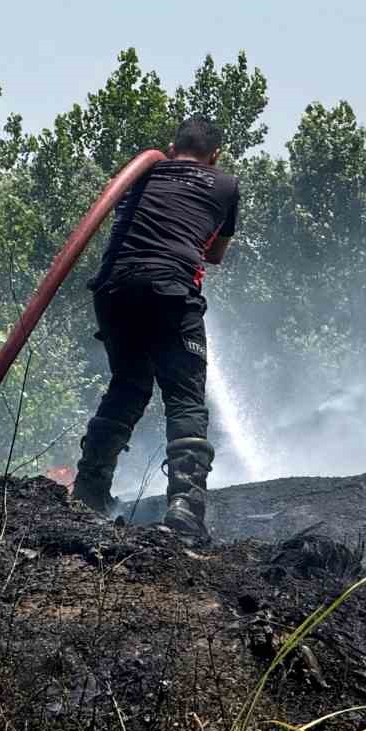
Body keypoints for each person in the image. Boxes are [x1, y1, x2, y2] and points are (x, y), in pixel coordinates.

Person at [72, 115, 239, 540]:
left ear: (172, 144)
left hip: (113, 289)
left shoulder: (142, 173)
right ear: (214, 155)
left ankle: (87, 491)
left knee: (129, 385)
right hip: (168, 290)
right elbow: (215, 254)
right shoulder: (224, 185)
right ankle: (184, 507)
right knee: (184, 397)